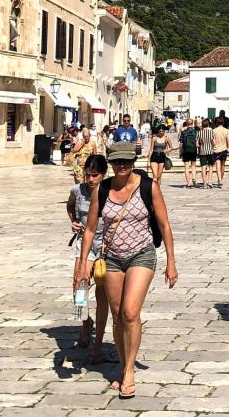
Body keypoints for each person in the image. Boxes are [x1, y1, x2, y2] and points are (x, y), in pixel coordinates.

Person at [75, 141, 178, 398]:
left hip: (141, 255)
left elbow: (164, 226)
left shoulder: (148, 187)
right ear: (110, 163)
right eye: (117, 162)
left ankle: (129, 371)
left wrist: (171, 262)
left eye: (127, 162)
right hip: (111, 258)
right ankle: (122, 365)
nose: (122, 166)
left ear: (134, 162)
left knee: (131, 312)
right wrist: (81, 266)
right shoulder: (102, 190)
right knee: (118, 313)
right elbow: (89, 230)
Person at [66, 154, 110, 363]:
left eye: (95, 175)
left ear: (103, 174)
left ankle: (98, 340)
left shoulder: (111, 192)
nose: (90, 180)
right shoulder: (78, 190)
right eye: (88, 175)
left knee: (102, 290)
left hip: (106, 245)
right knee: (79, 285)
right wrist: (74, 221)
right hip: (84, 241)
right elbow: (70, 206)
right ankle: (85, 320)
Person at [212, 116, 229, 188]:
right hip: (224, 149)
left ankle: (219, 180)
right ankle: (221, 179)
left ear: (216, 123)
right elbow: (228, 142)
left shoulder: (214, 131)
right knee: (223, 165)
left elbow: (213, 142)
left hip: (216, 149)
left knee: (218, 166)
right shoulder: (226, 131)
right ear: (223, 123)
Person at [197, 118, 217, 188]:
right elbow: (214, 143)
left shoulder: (199, 133)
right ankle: (210, 181)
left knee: (203, 167)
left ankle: (204, 183)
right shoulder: (211, 132)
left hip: (202, 152)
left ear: (202, 125)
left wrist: (201, 145)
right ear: (208, 124)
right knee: (211, 167)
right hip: (210, 151)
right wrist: (212, 145)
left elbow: (197, 144)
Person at [179, 120, 198, 188]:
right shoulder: (196, 132)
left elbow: (181, 142)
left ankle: (189, 182)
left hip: (186, 150)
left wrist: (180, 151)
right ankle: (194, 178)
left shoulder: (183, 132)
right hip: (193, 150)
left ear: (186, 124)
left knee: (186, 167)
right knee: (193, 166)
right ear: (192, 123)